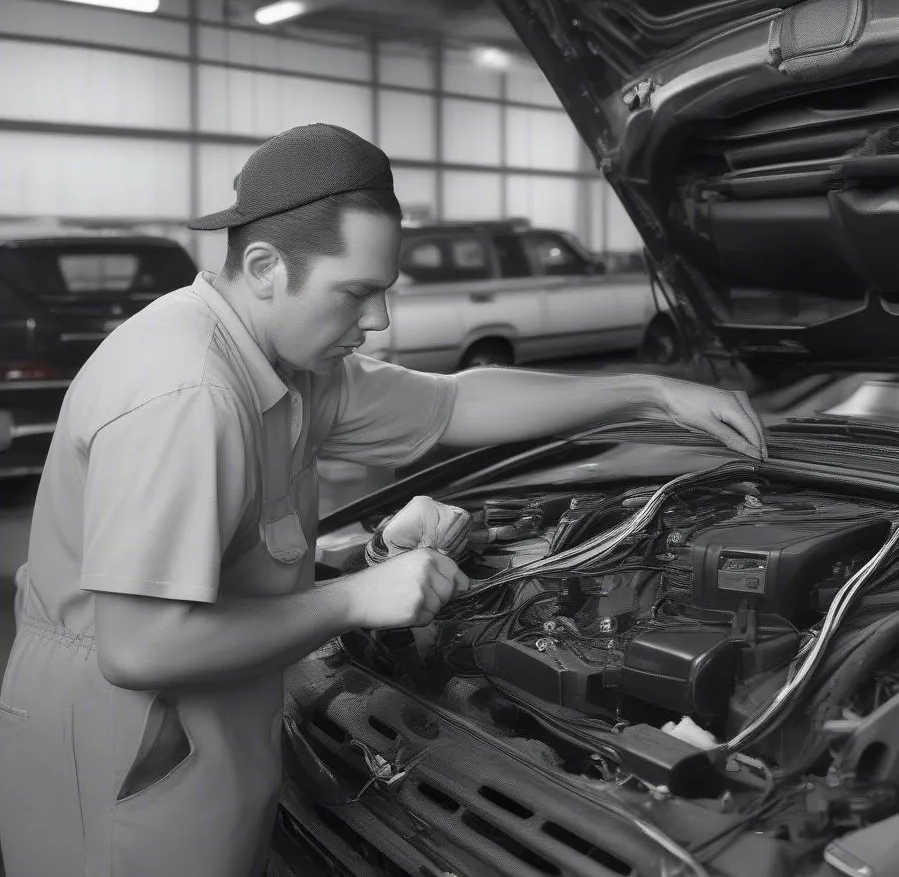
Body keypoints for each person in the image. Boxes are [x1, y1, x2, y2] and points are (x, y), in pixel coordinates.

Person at [0, 123, 765, 877]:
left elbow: (457, 403)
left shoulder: (291, 365)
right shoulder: (187, 391)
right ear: (264, 266)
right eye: (356, 293)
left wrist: (648, 390)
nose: (377, 322)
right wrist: (358, 598)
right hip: (124, 746)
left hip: (214, 718)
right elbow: (142, 648)